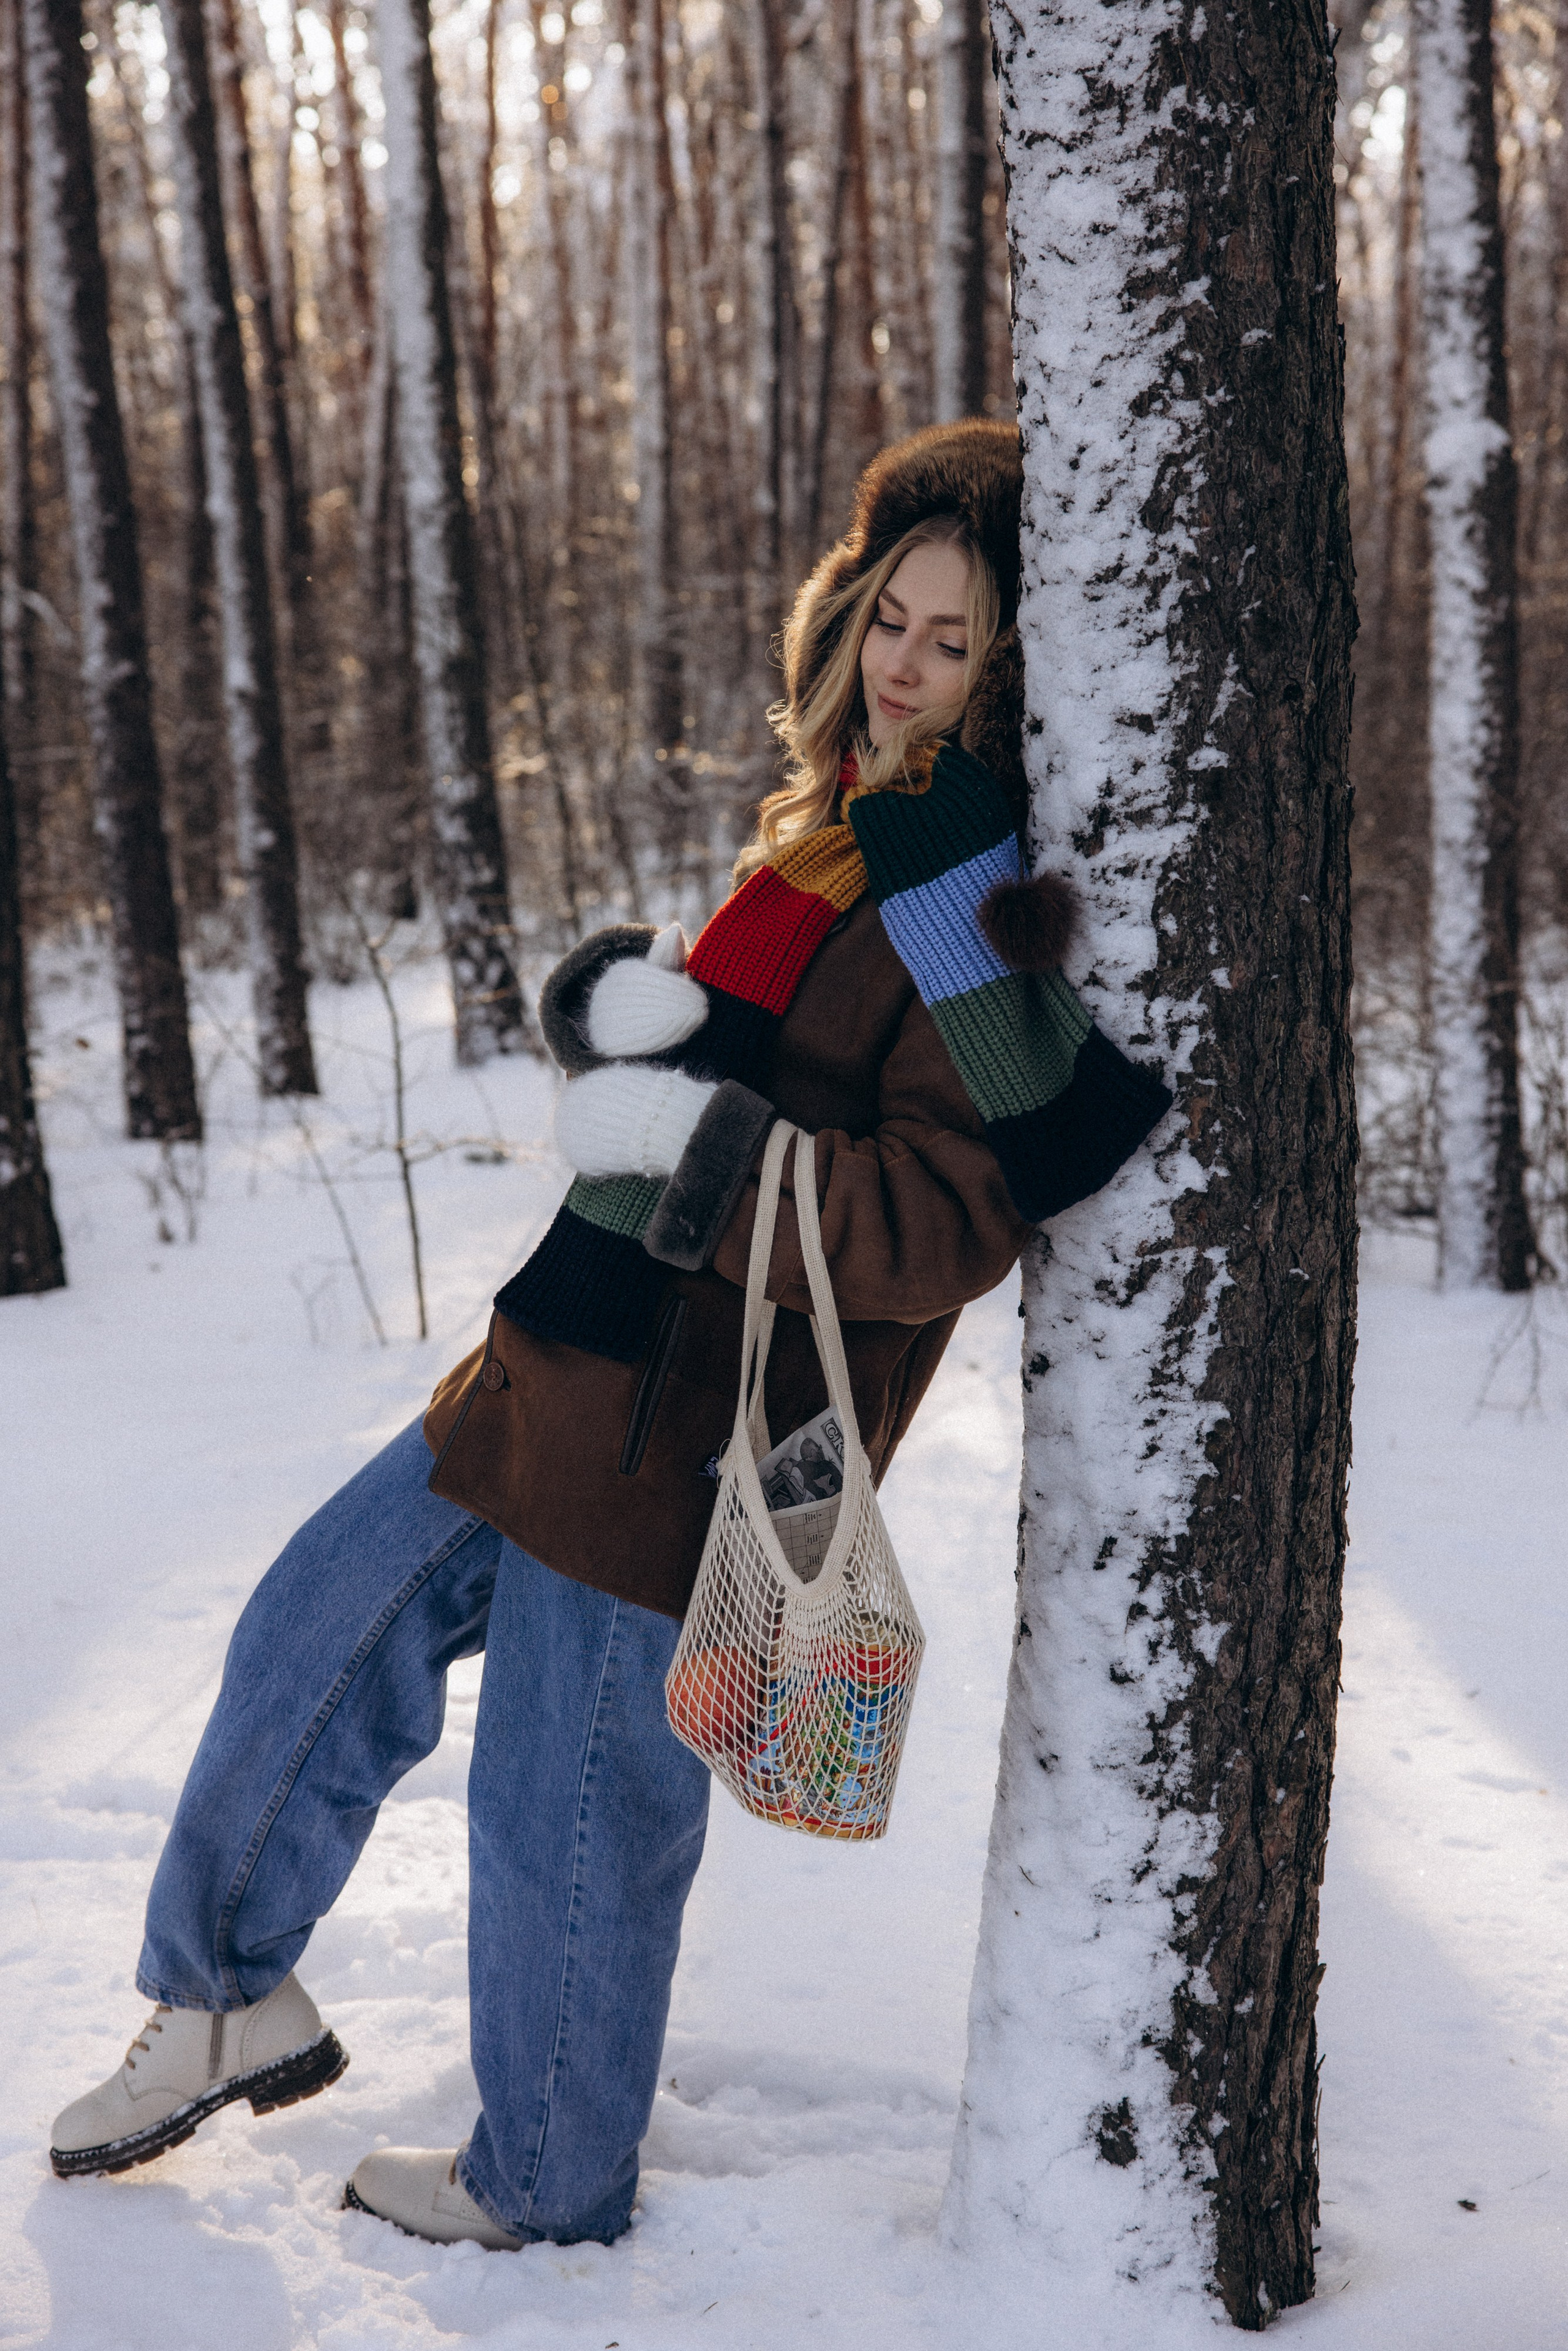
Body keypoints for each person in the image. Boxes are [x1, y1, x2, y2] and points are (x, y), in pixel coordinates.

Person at [48, 421, 1170, 2251]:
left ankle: (549, 2179)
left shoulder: (966, 900)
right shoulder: (831, 827)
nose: (904, 662)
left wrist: (703, 1148)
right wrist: (629, 1019)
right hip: (554, 1355)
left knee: (564, 1822)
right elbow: (737, 1055)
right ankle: (223, 1998)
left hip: (690, 1434)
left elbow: (945, 1222)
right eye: (892, 615)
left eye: (954, 641)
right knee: (308, 1636)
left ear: (1013, 669)